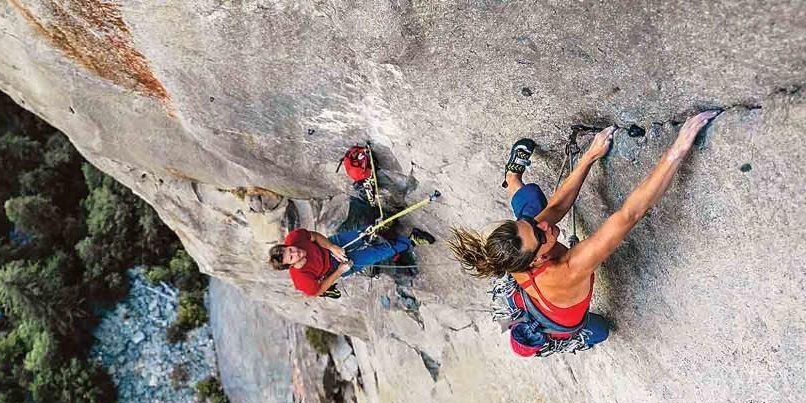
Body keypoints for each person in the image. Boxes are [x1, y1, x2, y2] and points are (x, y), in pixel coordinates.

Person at [448, 110, 718, 356]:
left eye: (531, 224)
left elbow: (557, 206)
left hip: (533, 289)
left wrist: (590, 156)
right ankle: (514, 185)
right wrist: (678, 150)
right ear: (537, 261)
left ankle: (511, 179)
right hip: (559, 320)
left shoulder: (521, 252)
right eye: (540, 236)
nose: (543, 226)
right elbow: (628, 215)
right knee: (599, 331)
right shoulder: (569, 269)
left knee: (534, 203)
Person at [268, 226, 434, 297]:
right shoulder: (301, 280)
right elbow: (318, 290)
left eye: (290, 249)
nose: (295, 252)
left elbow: (313, 236)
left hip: (330, 246)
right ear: (290, 265)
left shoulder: (294, 238)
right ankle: (411, 240)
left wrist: (333, 247)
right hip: (333, 269)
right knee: (374, 255)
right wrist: (340, 270)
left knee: (366, 232)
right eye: (292, 257)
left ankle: (386, 229)